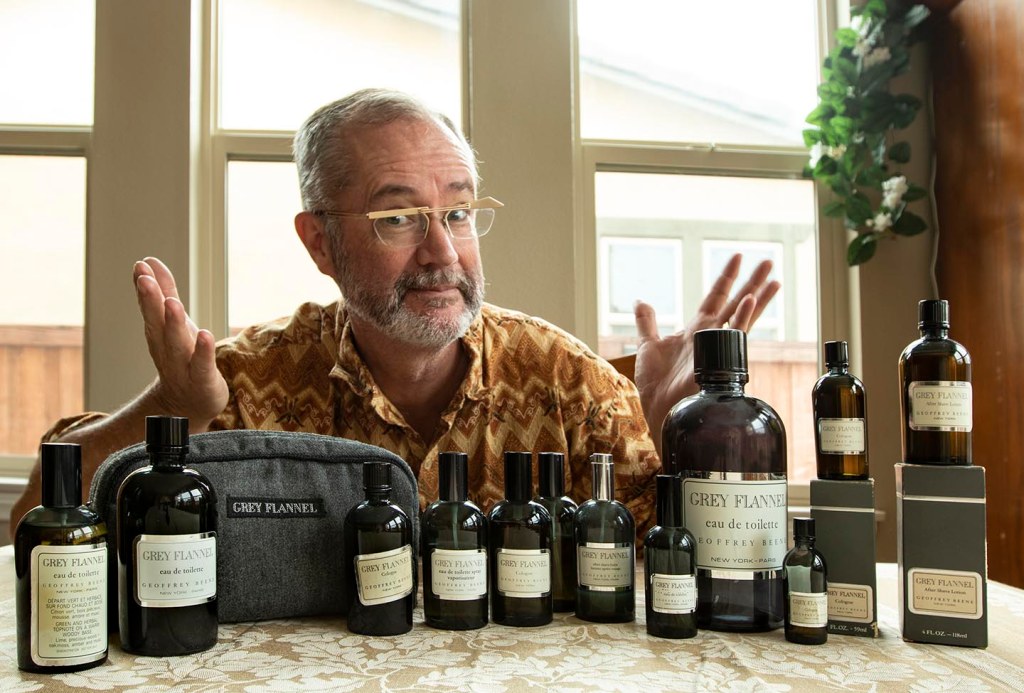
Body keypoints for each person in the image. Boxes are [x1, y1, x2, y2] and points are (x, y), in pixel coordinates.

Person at [9, 89, 778, 539]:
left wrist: (695, 435)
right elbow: (28, 527)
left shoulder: (572, 385)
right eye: (397, 218)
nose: (442, 253)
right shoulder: (244, 387)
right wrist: (171, 407)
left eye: (460, 213)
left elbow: (667, 582)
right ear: (320, 242)